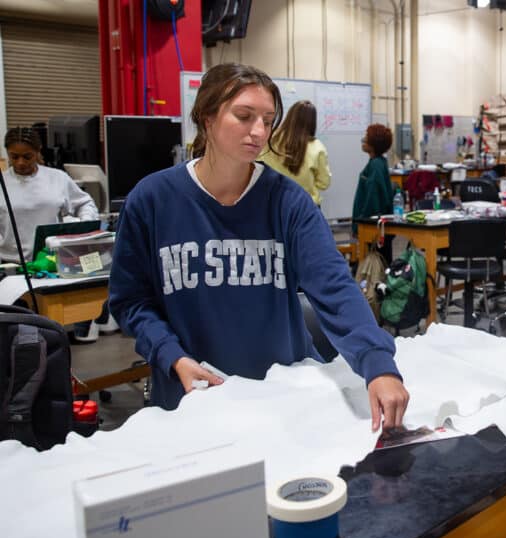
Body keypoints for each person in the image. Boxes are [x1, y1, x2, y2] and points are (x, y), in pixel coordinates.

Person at [108, 63, 408, 430]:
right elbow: (131, 301)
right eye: (244, 116)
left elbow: (334, 286)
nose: (259, 132)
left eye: (268, 120)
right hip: (194, 399)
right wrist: (171, 356)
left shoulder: (288, 202)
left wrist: (378, 364)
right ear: (207, 117)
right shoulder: (152, 200)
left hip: (282, 396)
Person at [0, 127, 99, 263]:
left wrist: (85, 226)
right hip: (10, 263)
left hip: (52, 260)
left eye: (27, 156)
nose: (20, 162)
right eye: (14, 157)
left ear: (37, 151)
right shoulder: (2, 182)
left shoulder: (57, 178)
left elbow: (85, 203)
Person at [259, 100, 332, 206]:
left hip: (272, 204)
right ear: (312, 122)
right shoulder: (317, 147)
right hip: (305, 206)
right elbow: (323, 183)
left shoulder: (270, 138)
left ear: (290, 116)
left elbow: (257, 163)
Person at [352, 123, 396, 230]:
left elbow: (373, 198)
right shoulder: (378, 162)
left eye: (366, 138)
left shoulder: (376, 165)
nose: (363, 141)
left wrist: (362, 222)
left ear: (373, 144)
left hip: (371, 227)